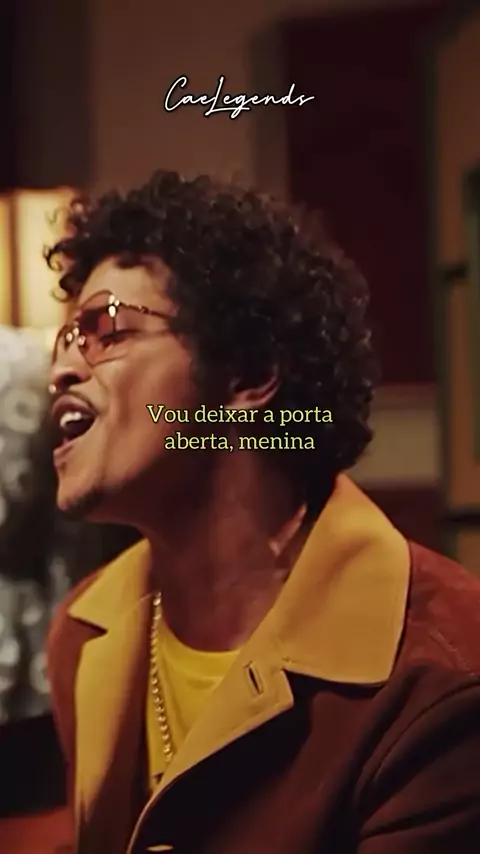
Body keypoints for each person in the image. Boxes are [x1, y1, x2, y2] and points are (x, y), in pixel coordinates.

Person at [46, 170, 480, 854]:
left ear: (248, 373)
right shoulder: (83, 632)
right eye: (66, 340)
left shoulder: (439, 676)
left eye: (106, 329)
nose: (63, 370)